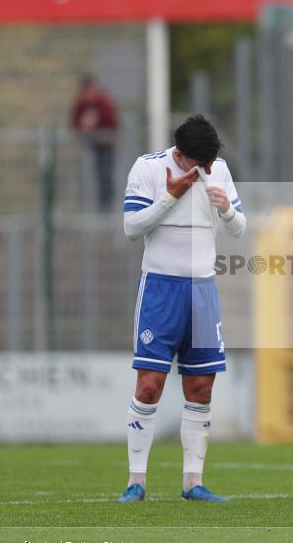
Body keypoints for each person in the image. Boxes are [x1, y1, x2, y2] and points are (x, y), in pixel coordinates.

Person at [118, 114, 246, 503]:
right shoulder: (149, 167)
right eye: (201, 164)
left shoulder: (219, 169)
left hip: (203, 290)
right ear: (182, 155)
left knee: (201, 386)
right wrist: (169, 196)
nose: (208, 169)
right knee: (150, 384)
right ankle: (135, 481)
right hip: (160, 288)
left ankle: (193, 482)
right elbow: (132, 227)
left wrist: (226, 209)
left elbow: (239, 229)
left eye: (211, 162)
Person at [71, 74, 118, 211]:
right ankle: (85, 210)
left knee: (105, 179)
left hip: (105, 148)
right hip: (87, 147)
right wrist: (83, 127)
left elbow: (112, 123)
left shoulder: (104, 102)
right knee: (85, 179)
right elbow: (74, 123)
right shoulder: (80, 104)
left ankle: (105, 210)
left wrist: (95, 124)